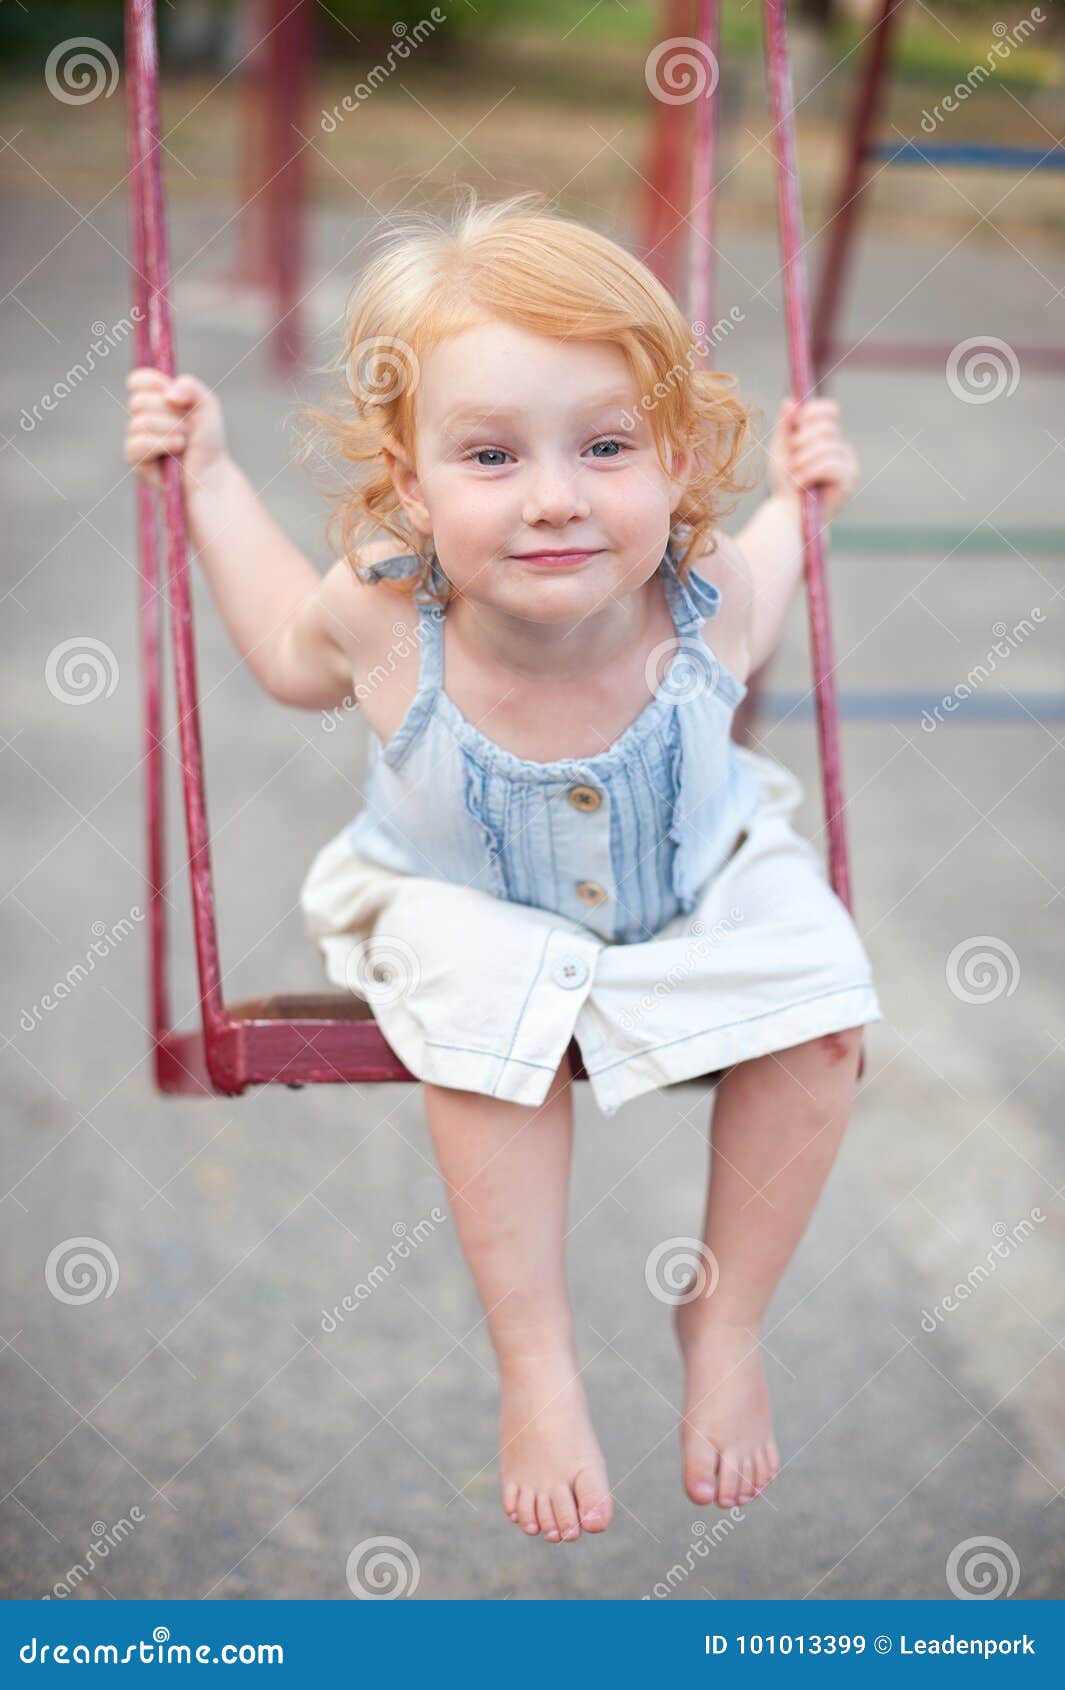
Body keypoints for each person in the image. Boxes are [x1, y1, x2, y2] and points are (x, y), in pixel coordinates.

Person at [124, 188, 883, 1547]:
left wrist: (800, 496)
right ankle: (538, 1365)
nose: (554, 497)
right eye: (489, 455)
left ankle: (725, 1317)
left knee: (823, 994)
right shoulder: (381, 612)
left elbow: (777, 560)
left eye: (606, 445)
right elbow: (281, 652)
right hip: (456, 901)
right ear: (411, 485)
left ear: (673, 460)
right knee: (486, 1007)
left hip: (694, 886)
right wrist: (211, 480)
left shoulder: (707, 591)